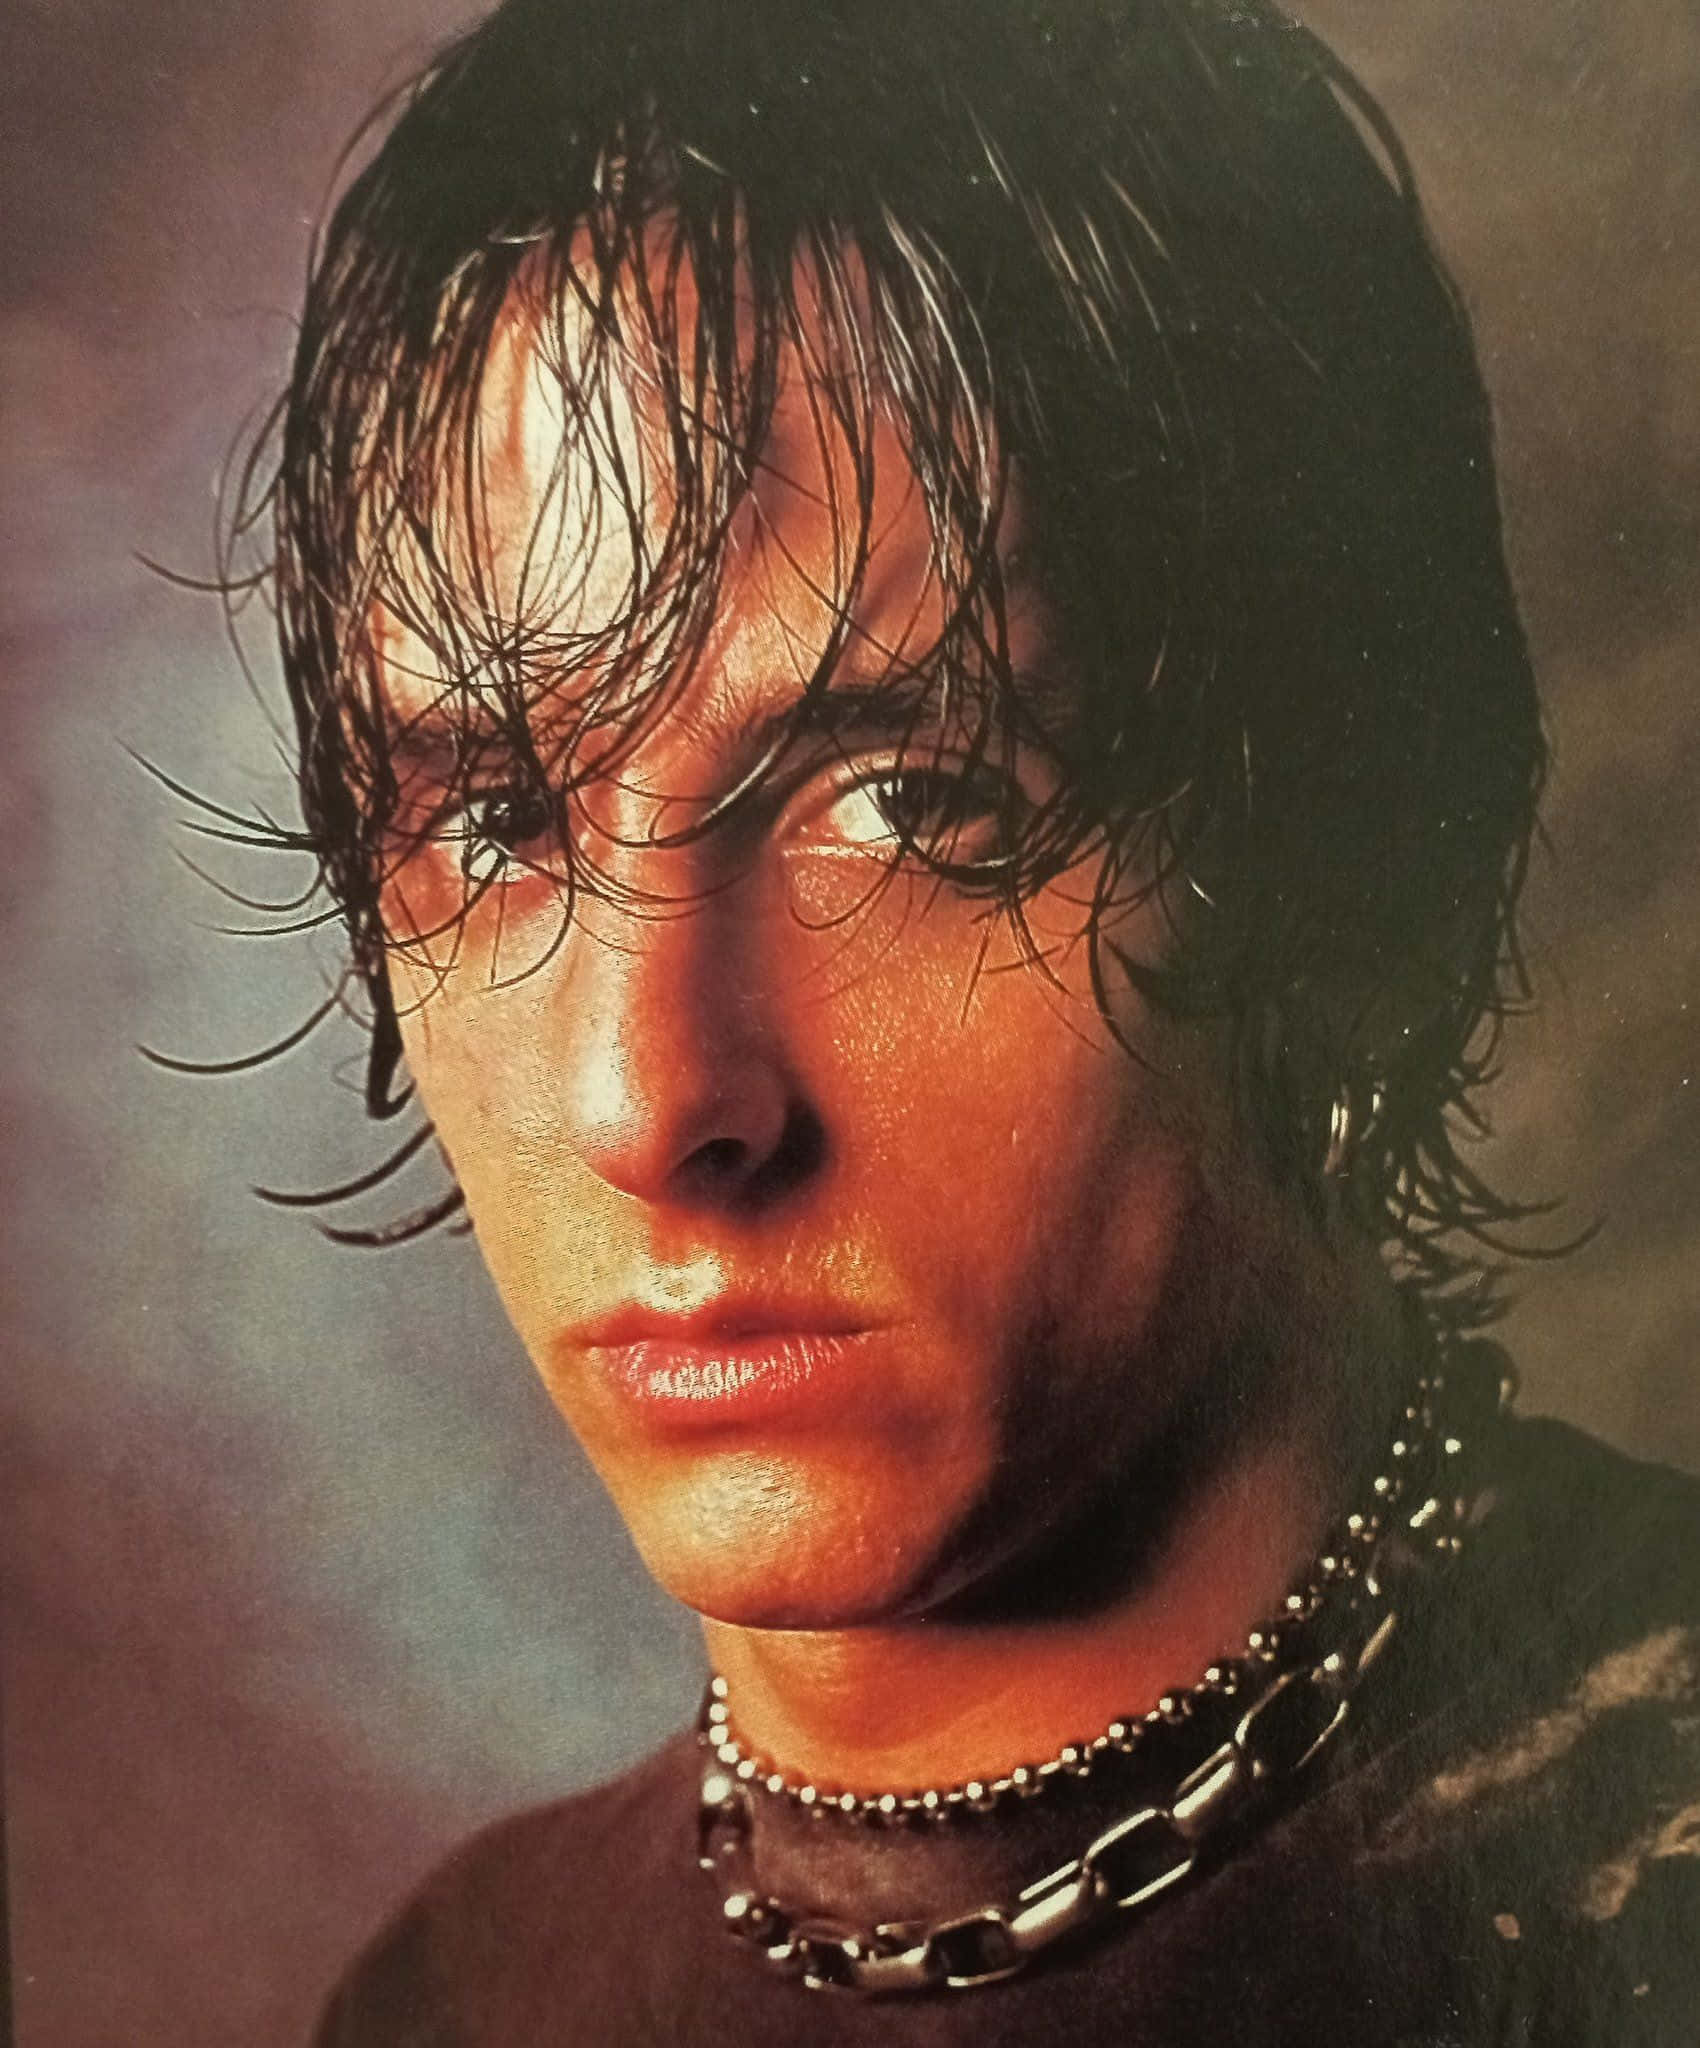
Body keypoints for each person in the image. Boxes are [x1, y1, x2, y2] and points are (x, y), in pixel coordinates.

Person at [233, 0, 1700, 2036]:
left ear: (1346, 864)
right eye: (497, 824)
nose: (646, 1096)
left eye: (912, 803)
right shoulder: (454, 1998)